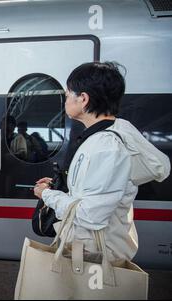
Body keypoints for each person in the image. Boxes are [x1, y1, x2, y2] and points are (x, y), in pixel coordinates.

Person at [34, 62, 170, 262]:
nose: (65, 100)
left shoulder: (107, 146)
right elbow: (94, 193)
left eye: (68, 94)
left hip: (96, 255)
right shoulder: (112, 133)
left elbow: (91, 216)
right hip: (92, 249)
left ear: (83, 98)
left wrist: (47, 195)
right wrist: (61, 187)